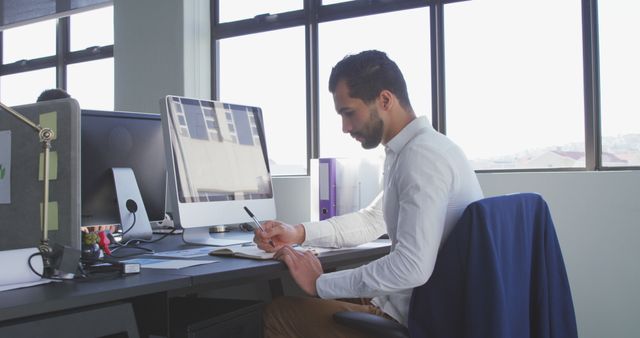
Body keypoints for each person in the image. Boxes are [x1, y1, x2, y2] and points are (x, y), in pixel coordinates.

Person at [254, 50, 484, 338]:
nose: (345, 127)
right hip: (411, 304)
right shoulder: (420, 149)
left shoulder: (421, 157)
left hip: (415, 320)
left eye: (349, 113)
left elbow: (412, 268)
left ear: (385, 100)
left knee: (278, 313)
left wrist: (321, 283)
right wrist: (298, 233)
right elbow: (373, 220)